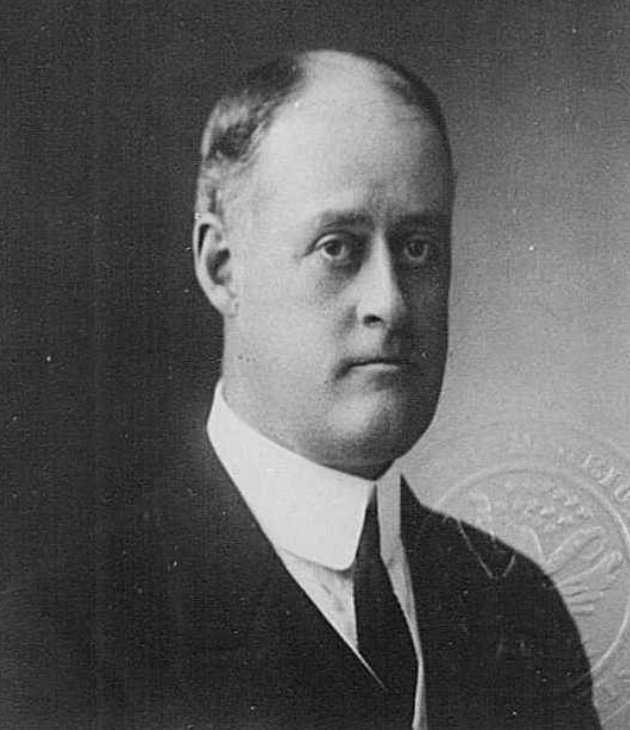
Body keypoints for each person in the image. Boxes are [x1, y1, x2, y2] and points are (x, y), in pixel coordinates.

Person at [3, 49, 598, 730]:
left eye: (419, 247)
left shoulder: (519, 610)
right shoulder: (62, 644)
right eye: (337, 247)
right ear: (222, 267)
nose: (390, 303)